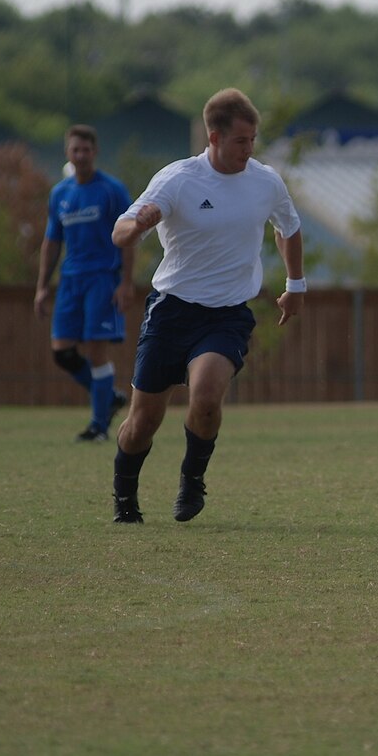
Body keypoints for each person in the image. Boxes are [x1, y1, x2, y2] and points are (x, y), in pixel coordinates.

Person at [107, 87, 305, 524]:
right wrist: (137, 223)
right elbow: (122, 230)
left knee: (208, 396)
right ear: (214, 137)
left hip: (228, 313)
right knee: (143, 423)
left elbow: (288, 227)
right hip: (172, 310)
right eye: (240, 141)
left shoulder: (265, 181)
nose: (249, 150)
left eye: (253, 140)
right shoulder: (178, 179)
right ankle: (125, 495)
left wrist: (296, 284)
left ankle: (191, 481)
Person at [34, 125, 134, 442]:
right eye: (75, 150)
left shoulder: (112, 190)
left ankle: (99, 426)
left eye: (86, 150)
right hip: (70, 279)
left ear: (95, 152)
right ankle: (108, 398)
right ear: (67, 153)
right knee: (62, 352)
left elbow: (130, 238)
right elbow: (51, 242)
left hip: (102, 279)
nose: (80, 156)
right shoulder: (60, 193)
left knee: (95, 349)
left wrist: (126, 283)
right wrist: (41, 286)